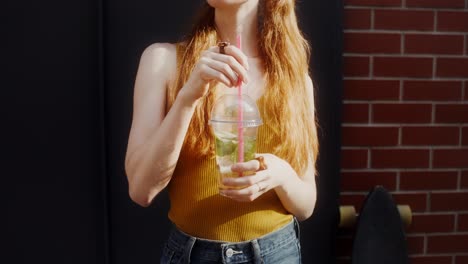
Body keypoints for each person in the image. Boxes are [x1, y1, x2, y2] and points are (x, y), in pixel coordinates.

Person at [125, 0, 319, 263]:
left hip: (277, 253)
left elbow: (306, 204)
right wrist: (188, 97)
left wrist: (281, 175)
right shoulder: (163, 61)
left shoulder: (294, 81)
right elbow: (141, 190)